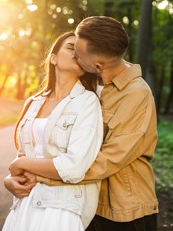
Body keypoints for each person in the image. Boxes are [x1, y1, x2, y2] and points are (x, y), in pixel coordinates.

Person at [4, 16, 159, 231]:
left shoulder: (136, 94)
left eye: (77, 52)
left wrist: (39, 176)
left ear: (96, 65)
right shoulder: (90, 87)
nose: (75, 54)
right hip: (82, 204)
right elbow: (37, 149)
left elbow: (106, 161)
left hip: (122, 211)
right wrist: (15, 176)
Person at [2, 31, 103, 231]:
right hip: (24, 204)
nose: (76, 52)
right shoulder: (32, 103)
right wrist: (9, 181)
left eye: (80, 50)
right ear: (54, 58)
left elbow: (74, 167)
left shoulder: (88, 102)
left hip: (60, 207)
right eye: (70, 47)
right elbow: (21, 156)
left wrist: (22, 164)